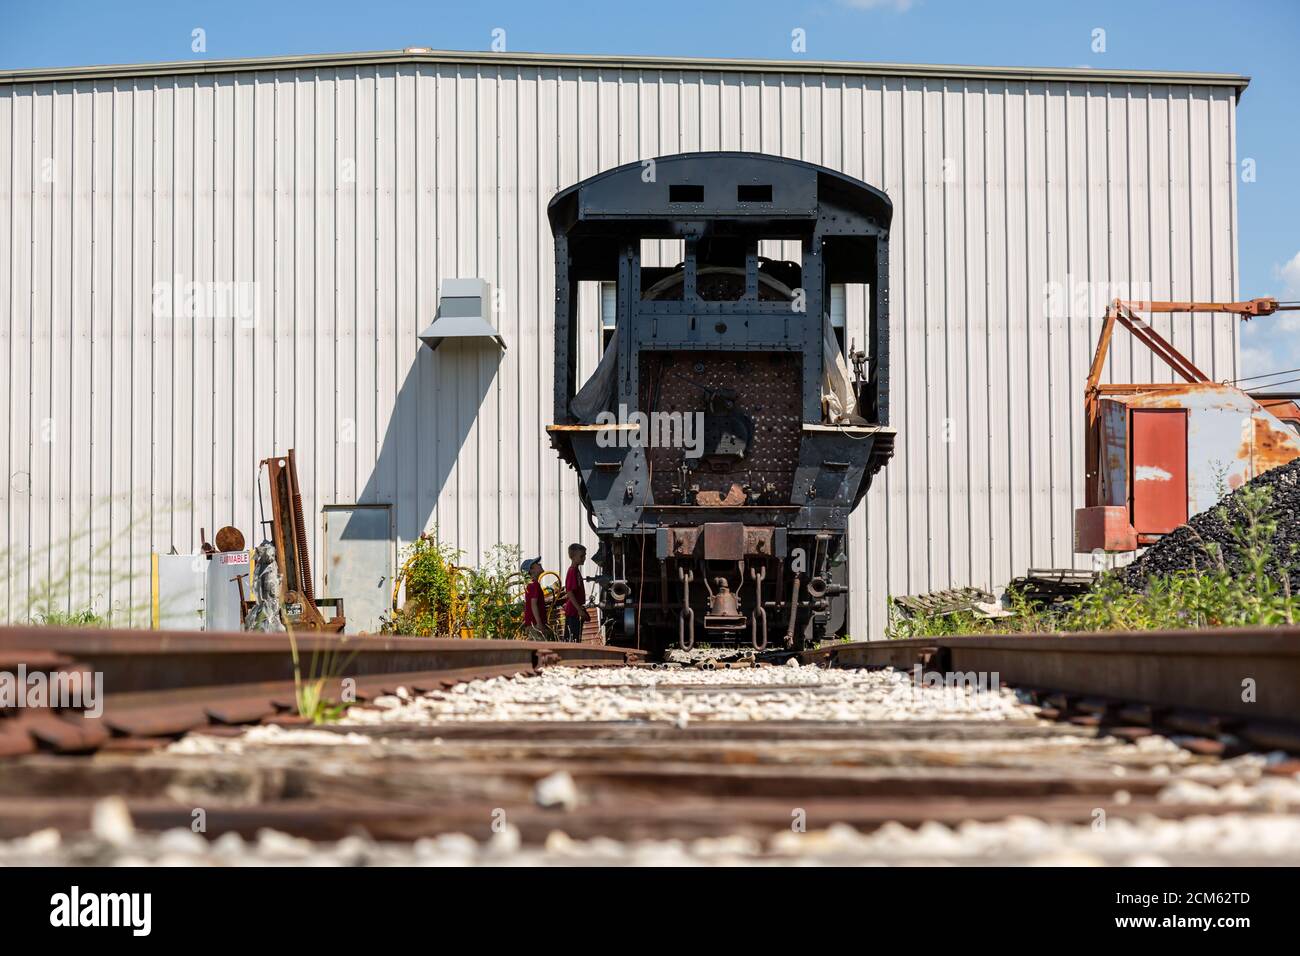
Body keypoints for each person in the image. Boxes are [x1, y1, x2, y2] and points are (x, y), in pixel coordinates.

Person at [562, 543, 590, 642]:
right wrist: (579, 610)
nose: (584, 558)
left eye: (585, 555)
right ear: (573, 557)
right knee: (572, 639)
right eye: (582, 556)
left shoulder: (576, 571)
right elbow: (569, 592)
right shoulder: (572, 572)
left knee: (576, 638)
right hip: (573, 612)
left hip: (576, 611)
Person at [520, 557, 552, 640]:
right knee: (538, 647)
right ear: (531, 570)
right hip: (535, 624)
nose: (540, 564)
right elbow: (533, 604)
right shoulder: (534, 585)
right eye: (537, 564)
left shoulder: (531, 585)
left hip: (532, 624)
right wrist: (539, 622)